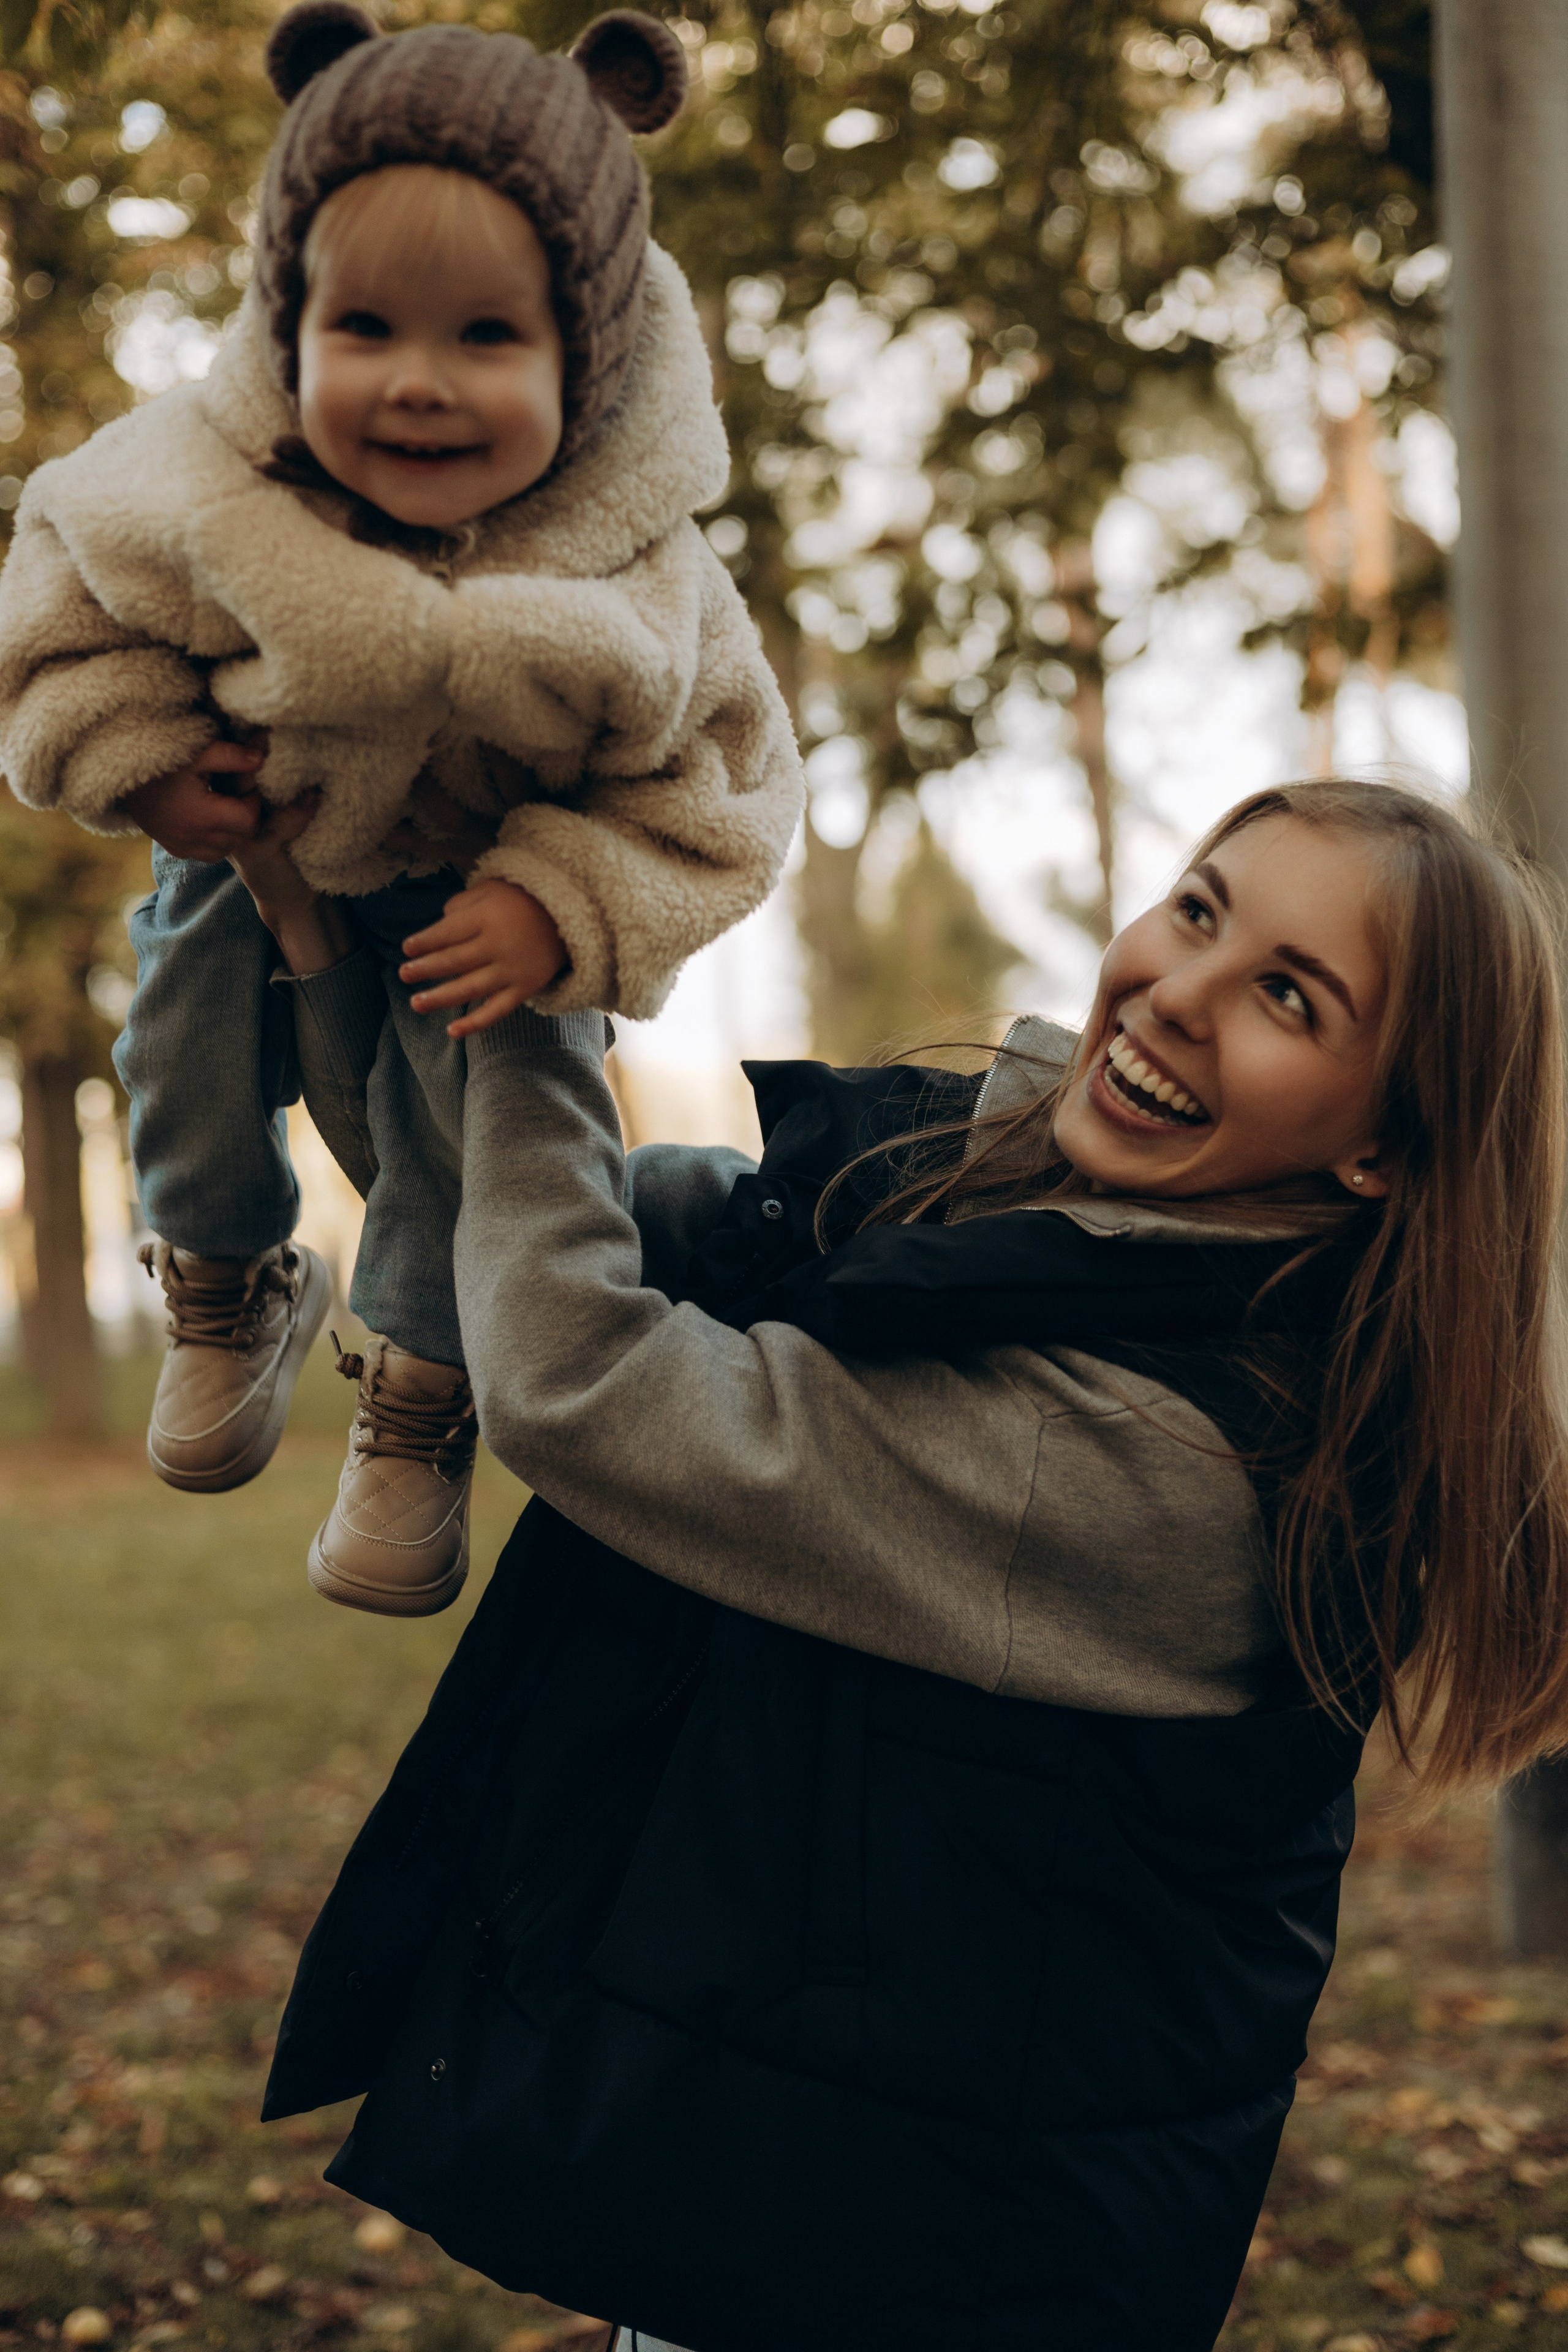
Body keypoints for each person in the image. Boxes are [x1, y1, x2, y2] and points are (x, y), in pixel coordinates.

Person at [247, 775, 1568, 2351]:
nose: (1180, 992)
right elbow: (506, 1230)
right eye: (1199, 912)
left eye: (1288, 997)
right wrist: (337, 917)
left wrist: (549, 979)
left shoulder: (1180, 1459)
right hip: (799, 2183)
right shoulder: (1007, 1198)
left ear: (1378, 1152)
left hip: (919, 2265)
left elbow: (580, 1378)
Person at [0, 1, 801, 1618]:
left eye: (488, 339)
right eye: (364, 327)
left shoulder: (647, 574)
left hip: (480, 908)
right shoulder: (197, 484)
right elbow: (51, 603)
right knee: (182, 1008)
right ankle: (223, 1274)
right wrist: (143, 757)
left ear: (589, 349)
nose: (419, 386)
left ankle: (421, 1397)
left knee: (491, 1131)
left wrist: (566, 904)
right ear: (287, 319)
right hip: (268, 840)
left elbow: (728, 794)